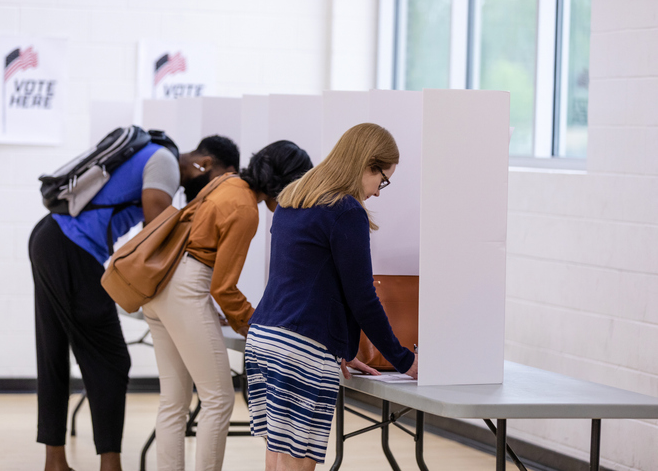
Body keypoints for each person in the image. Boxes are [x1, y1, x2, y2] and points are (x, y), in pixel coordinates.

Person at [28, 131, 237, 471]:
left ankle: (56, 461)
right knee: (112, 360)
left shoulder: (153, 154)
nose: (219, 191)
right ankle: (110, 464)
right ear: (206, 164)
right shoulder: (166, 163)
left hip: (50, 237)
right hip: (72, 247)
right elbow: (155, 228)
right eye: (220, 180)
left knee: (52, 350)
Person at [245, 123, 420, 471]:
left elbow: (312, 283)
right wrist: (404, 360)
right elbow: (362, 297)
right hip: (302, 349)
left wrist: (342, 348)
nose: (379, 192)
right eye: (382, 179)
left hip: (264, 339)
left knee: (277, 461)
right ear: (367, 165)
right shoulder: (346, 211)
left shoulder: (294, 197)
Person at [142, 140, 313, 471]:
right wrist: (254, 327)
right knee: (218, 400)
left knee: (173, 401)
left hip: (161, 286)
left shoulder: (226, 183)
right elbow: (223, 286)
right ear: (285, 182)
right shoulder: (246, 209)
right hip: (187, 289)